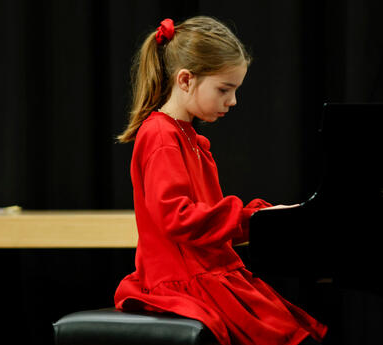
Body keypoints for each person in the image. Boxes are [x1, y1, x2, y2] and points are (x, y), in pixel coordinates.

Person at [114, 16, 327, 345]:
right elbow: (177, 218)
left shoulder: (190, 139)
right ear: (186, 80)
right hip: (181, 279)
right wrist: (249, 217)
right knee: (277, 332)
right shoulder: (160, 135)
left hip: (206, 268)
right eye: (224, 89)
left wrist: (266, 220)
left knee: (286, 326)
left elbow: (209, 222)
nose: (233, 101)